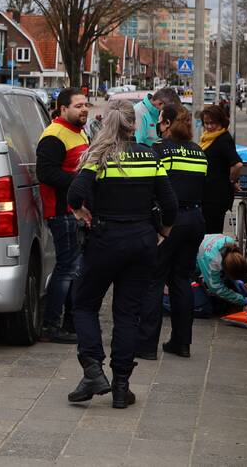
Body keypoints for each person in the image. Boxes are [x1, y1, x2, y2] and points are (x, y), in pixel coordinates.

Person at [66, 100, 178, 409]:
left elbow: (74, 194)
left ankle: (92, 370)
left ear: (108, 124)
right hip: (142, 241)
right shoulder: (150, 156)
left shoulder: (99, 156)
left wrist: (82, 214)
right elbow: (170, 205)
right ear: (133, 125)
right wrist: (162, 233)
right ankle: (121, 387)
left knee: (85, 304)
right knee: (127, 313)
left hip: (105, 240)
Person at [136, 104, 207, 360]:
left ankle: (146, 345)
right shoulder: (199, 152)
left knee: (154, 280)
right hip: (195, 220)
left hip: (170, 222)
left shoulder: (159, 150)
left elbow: (153, 189)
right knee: (181, 280)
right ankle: (182, 342)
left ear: (165, 123)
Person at [35, 88, 90, 343]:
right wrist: (82, 181)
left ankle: (69, 322)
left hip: (78, 212)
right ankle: (52, 325)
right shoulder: (54, 135)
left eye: (86, 104)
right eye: (78, 105)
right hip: (61, 212)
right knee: (66, 269)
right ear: (62, 108)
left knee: (75, 269)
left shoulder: (79, 133)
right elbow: (46, 174)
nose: (84, 109)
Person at [198, 104, 242, 234]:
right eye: (206, 123)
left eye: (213, 123)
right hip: (207, 195)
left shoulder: (223, 139)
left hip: (216, 198)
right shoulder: (207, 139)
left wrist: (232, 181)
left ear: (221, 122)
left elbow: (237, 164)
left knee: (212, 235)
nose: (209, 126)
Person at [196, 234, 247, 315]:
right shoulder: (213, 262)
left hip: (201, 245)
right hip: (185, 262)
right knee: (206, 306)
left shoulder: (231, 244)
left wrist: (237, 281)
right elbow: (216, 289)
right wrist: (241, 300)